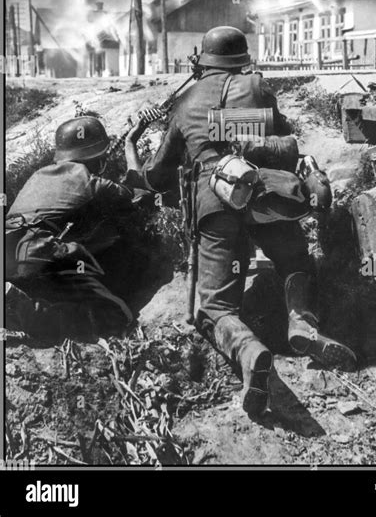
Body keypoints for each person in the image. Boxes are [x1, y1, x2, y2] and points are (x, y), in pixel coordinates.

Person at [125, 26, 356, 418]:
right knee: (295, 262)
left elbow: (157, 176)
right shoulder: (258, 88)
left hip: (215, 203)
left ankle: (250, 353)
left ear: (203, 61)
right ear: (242, 58)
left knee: (214, 308)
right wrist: (244, 133)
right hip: (263, 191)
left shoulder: (185, 100)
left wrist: (132, 144)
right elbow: (284, 144)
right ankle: (301, 323)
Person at [6, 116, 140, 341]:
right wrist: (130, 143)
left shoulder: (38, 175)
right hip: (38, 250)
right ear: (97, 159)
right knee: (117, 315)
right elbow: (137, 191)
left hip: (8, 251)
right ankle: (30, 312)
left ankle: (17, 304)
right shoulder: (90, 181)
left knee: (55, 290)